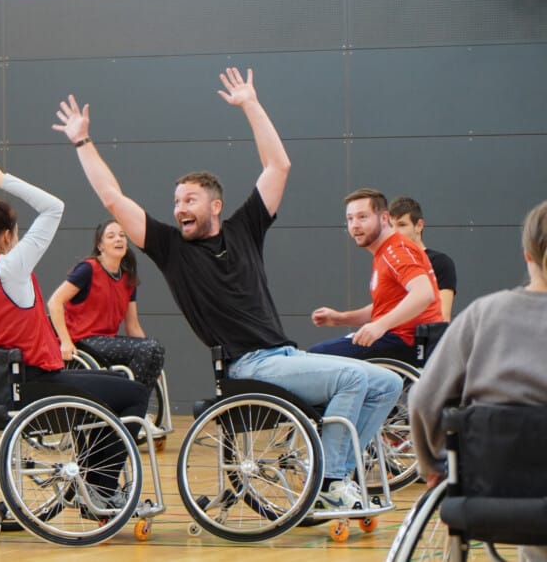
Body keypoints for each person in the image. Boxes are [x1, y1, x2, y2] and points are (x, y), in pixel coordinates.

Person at [54, 67, 402, 511]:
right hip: (248, 364)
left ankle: (335, 466)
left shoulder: (245, 229)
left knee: (388, 383)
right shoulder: (170, 249)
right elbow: (111, 197)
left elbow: (279, 165)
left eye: (190, 200)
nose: (180, 207)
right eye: (177, 201)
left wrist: (250, 104)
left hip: (286, 356)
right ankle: (330, 481)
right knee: (353, 377)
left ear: (214, 206)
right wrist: (83, 142)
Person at [0, 148, 149, 505]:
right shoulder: (9, 268)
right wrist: (1, 180)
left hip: (6, 388)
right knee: (135, 393)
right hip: (41, 388)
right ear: (5, 238)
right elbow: (54, 207)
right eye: (15, 234)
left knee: (116, 383)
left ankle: (92, 482)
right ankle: (101, 490)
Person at [410, 200, 547, 562]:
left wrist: (434, 465)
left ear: (526, 256)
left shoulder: (484, 314)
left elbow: (423, 400)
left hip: (493, 491)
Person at [310, 189, 444, 364]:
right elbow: (385, 307)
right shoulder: (384, 253)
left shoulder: (396, 250)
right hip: (398, 338)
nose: (355, 225)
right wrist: (340, 318)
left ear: (384, 218)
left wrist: (380, 326)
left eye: (362, 217)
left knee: (316, 357)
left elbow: (424, 293)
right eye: (350, 219)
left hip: (406, 341)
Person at [47, 219, 165, 388]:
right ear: (100, 246)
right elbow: (54, 302)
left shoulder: (128, 278)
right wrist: (65, 342)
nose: (118, 239)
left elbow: (132, 326)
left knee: (155, 350)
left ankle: (134, 406)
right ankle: (126, 396)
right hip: (83, 340)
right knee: (150, 348)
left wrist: (155, 362)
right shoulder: (88, 269)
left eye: (122, 236)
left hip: (107, 342)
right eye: (111, 236)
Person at [388, 196, 457, 321]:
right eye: (391, 226)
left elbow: (442, 316)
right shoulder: (389, 264)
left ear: (419, 225)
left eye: (402, 225)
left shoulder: (440, 262)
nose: (395, 232)